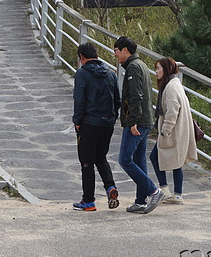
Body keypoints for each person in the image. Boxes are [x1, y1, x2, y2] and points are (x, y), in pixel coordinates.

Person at [114, 36, 163, 214]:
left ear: (125, 50)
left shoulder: (133, 67)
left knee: (125, 159)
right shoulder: (140, 65)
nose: (116, 55)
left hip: (138, 121)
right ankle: (141, 202)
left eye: (116, 51)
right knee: (139, 161)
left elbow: (136, 96)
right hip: (145, 120)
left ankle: (154, 191)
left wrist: (133, 121)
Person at [71, 43, 121, 211]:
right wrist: (112, 118)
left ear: (82, 57)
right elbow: (118, 100)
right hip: (107, 124)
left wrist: (77, 121)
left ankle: (88, 201)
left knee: (87, 162)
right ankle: (110, 187)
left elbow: (79, 100)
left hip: (89, 123)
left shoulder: (82, 74)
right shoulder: (111, 74)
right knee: (101, 157)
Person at [149, 57, 198, 205]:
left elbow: (172, 111)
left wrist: (164, 132)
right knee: (177, 162)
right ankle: (177, 195)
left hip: (173, 132)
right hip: (180, 131)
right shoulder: (175, 84)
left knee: (154, 157)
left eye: (158, 68)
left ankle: (165, 191)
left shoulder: (170, 87)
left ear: (166, 69)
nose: (156, 71)